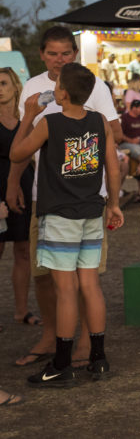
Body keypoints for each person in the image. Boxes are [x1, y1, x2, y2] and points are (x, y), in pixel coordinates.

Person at [6, 28, 124, 370]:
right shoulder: (97, 119)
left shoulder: (52, 121)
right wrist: (115, 203)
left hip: (58, 210)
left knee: (67, 286)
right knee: (85, 282)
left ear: (64, 93)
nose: (59, 62)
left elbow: (17, 153)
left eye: (65, 54)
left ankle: (65, 360)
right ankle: (97, 359)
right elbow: (113, 168)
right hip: (88, 206)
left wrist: (29, 116)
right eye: (53, 54)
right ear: (43, 55)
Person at [0, 67, 38, 327]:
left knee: (23, 249)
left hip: (24, 183)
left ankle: (22, 311)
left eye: (3, 83)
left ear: (15, 86)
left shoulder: (27, 118)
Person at [118, 99, 140, 164]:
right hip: (128, 143)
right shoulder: (124, 118)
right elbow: (119, 134)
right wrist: (131, 140)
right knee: (139, 151)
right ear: (134, 108)